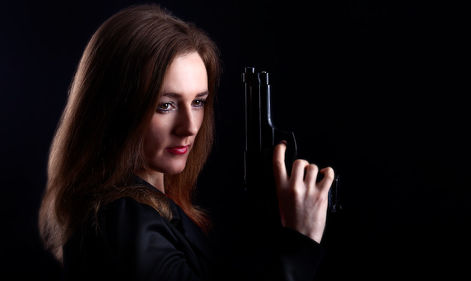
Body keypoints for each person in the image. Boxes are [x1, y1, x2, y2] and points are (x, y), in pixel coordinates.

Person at [38, 4, 335, 281]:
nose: (190, 127)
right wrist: (300, 245)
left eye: (198, 102)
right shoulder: (123, 220)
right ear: (115, 110)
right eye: (165, 105)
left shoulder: (143, 210)